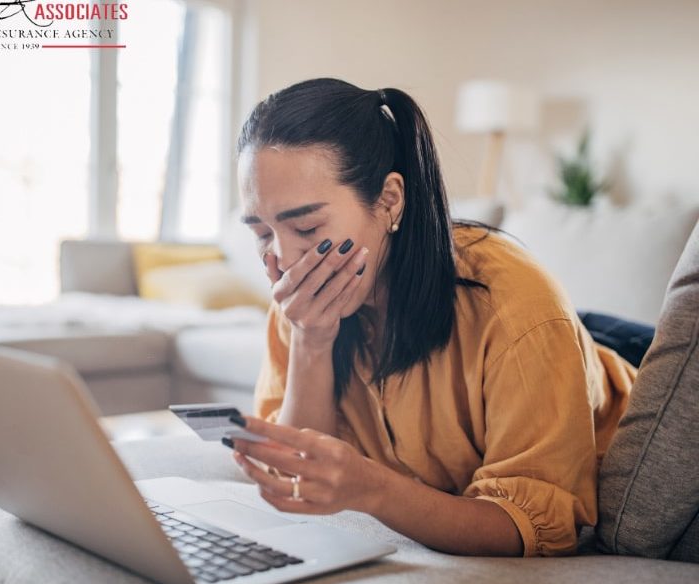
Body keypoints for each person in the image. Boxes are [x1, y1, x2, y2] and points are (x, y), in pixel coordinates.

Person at [225, 77, 635, 557]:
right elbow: (295, 472)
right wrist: (311, 342)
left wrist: (375, 489)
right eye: (260, 233)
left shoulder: (515, 306)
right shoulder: (299, 298)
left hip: (610, 377)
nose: (283, 257)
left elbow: (534, 528)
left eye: (306, 227)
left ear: (389, 201)